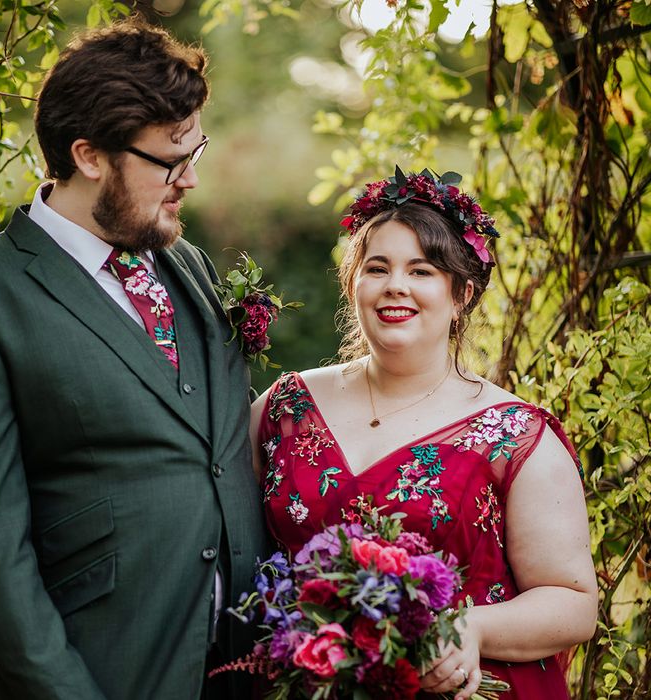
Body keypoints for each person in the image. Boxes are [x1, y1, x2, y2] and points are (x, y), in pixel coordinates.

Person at [0, 16, 267, 700]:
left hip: (240, 671)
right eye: (169, 160)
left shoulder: (186, 263)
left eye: (197, 151)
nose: (189, 179)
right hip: (105, 672)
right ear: (91, 155)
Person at [250, 169, 598, 699]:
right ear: (353, 285)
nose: (396, 285)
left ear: (461, 294)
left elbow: (573, 604)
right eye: (377, 267)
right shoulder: (284, 408)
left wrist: (472, 627)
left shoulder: (515, 436)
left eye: (423, 270)